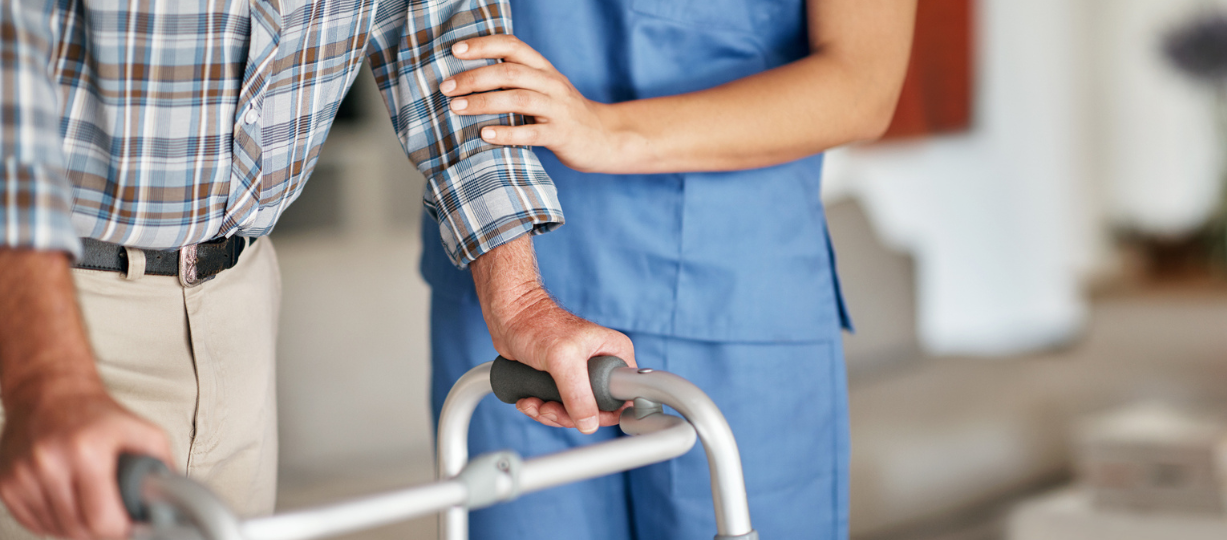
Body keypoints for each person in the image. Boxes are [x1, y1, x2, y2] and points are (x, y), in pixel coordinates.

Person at [0, 1, 632, 539]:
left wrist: (521, 302)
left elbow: (445, 40)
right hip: (43, 302)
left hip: (238, 303)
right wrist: (43, 375)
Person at [422, 0, 917, 538]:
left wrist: (609, 131)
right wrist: (512, 291)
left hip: (729, 295)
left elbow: (863, 84)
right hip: (502, 283)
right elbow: (426, 33)